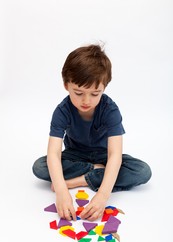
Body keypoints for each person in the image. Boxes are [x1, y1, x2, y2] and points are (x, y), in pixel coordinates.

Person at [32, 44, 152, 222]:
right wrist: (61, 191)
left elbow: (115, 155)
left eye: (95, 93)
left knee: (142, 171)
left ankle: (81, 179)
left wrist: (102, 196)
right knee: (40, 167)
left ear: (104, 87)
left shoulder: (110, 110)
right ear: (66, 85)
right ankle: (96, 172)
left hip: (105, 156)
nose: (86, 101)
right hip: (76, 155)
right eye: (78, 93)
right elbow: (53, 152)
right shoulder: (62, 111)